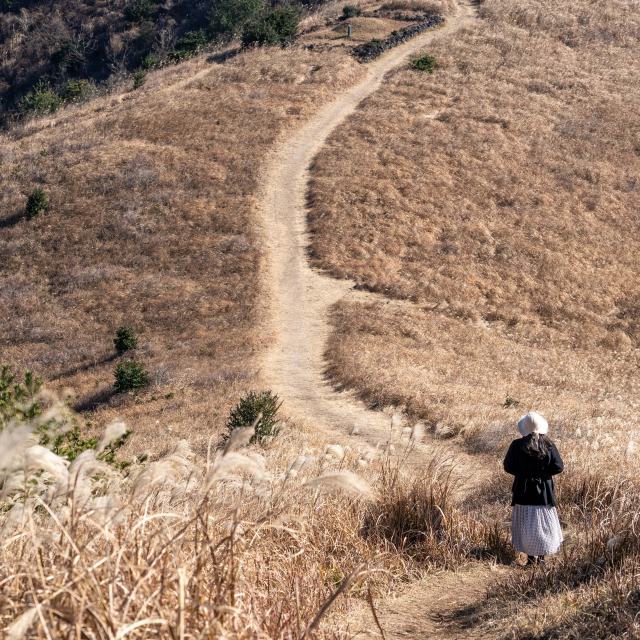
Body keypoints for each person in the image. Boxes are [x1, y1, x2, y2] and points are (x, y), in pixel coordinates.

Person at [503, 412, 564, 566]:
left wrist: (522, 474)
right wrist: (543, 474)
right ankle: (541, 559)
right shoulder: (548, 444)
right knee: (542, 525)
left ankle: (530, 559)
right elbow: (558, 467)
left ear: (524, 427)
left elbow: (508, 466)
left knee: (526, 524)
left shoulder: (516, 445)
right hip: (544, 492)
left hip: (522, 490)